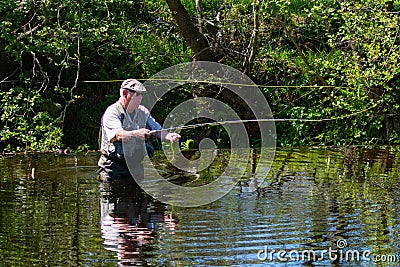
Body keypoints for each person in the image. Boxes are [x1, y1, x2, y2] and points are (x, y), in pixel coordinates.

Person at [98, 78, 181, 182]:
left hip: (136, 168)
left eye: (141, 94)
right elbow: (118, 135)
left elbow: (156, 129)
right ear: (124, 93)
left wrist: (168, 136)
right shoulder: (112, 112)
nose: (140, 98)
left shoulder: (143, 111)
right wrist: (136, 133)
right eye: (137, 94)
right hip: (113, 168)